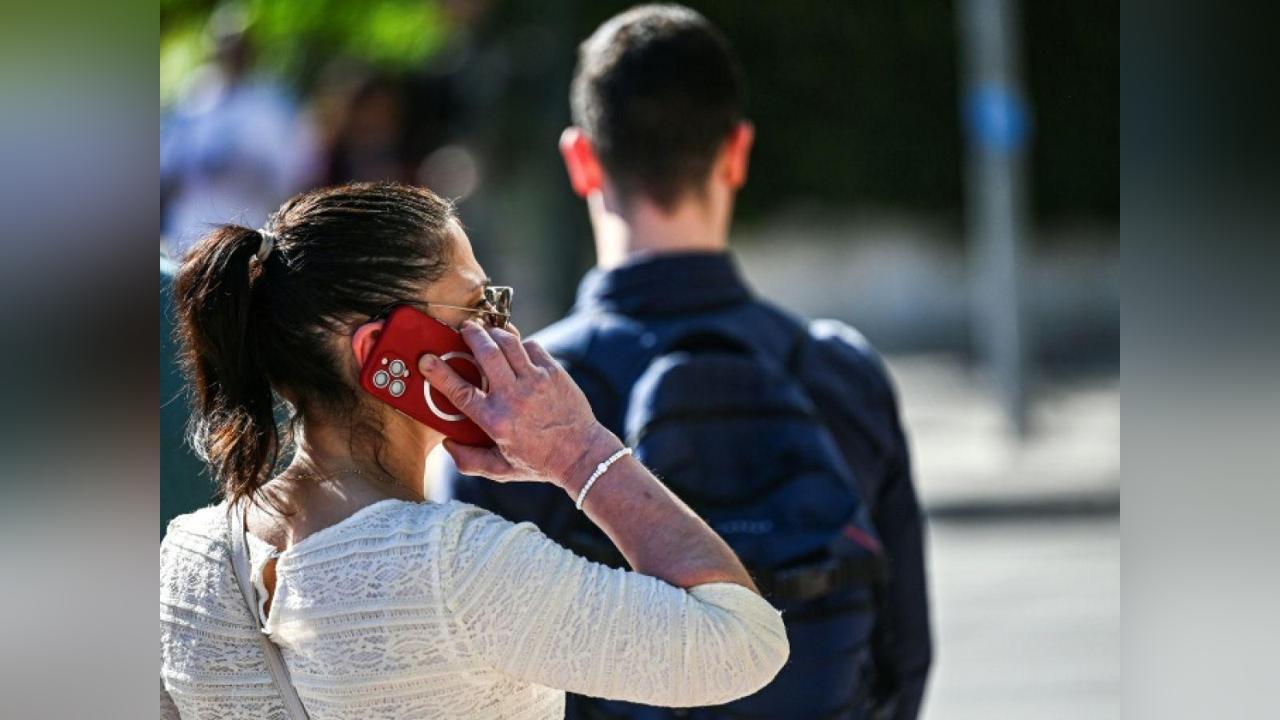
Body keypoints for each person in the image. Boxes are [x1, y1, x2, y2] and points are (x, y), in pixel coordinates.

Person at [447, 6, 932, 719]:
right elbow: (905, 661)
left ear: (581, 161)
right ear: (737, 152)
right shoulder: (843, 374)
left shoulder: (511, 403)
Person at [159, 182, 788, 719]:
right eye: (479, 304)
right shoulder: (458, 567)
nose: (503, 331)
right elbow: (743, 643)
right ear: (384, 351)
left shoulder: (186, 559)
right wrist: (579, 454)